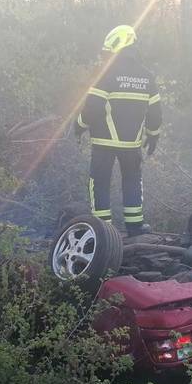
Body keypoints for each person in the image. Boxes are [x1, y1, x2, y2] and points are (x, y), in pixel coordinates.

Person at [75, 24, 162, 236]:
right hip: (132, 146)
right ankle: (135, 226)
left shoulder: (106, 74)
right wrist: (153, 135)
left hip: (104, 143)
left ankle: (103, 230)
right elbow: (155, 113)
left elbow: (92, 108)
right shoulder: (147, 77)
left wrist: (78, 126)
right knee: (132, 181)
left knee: (100, 182)